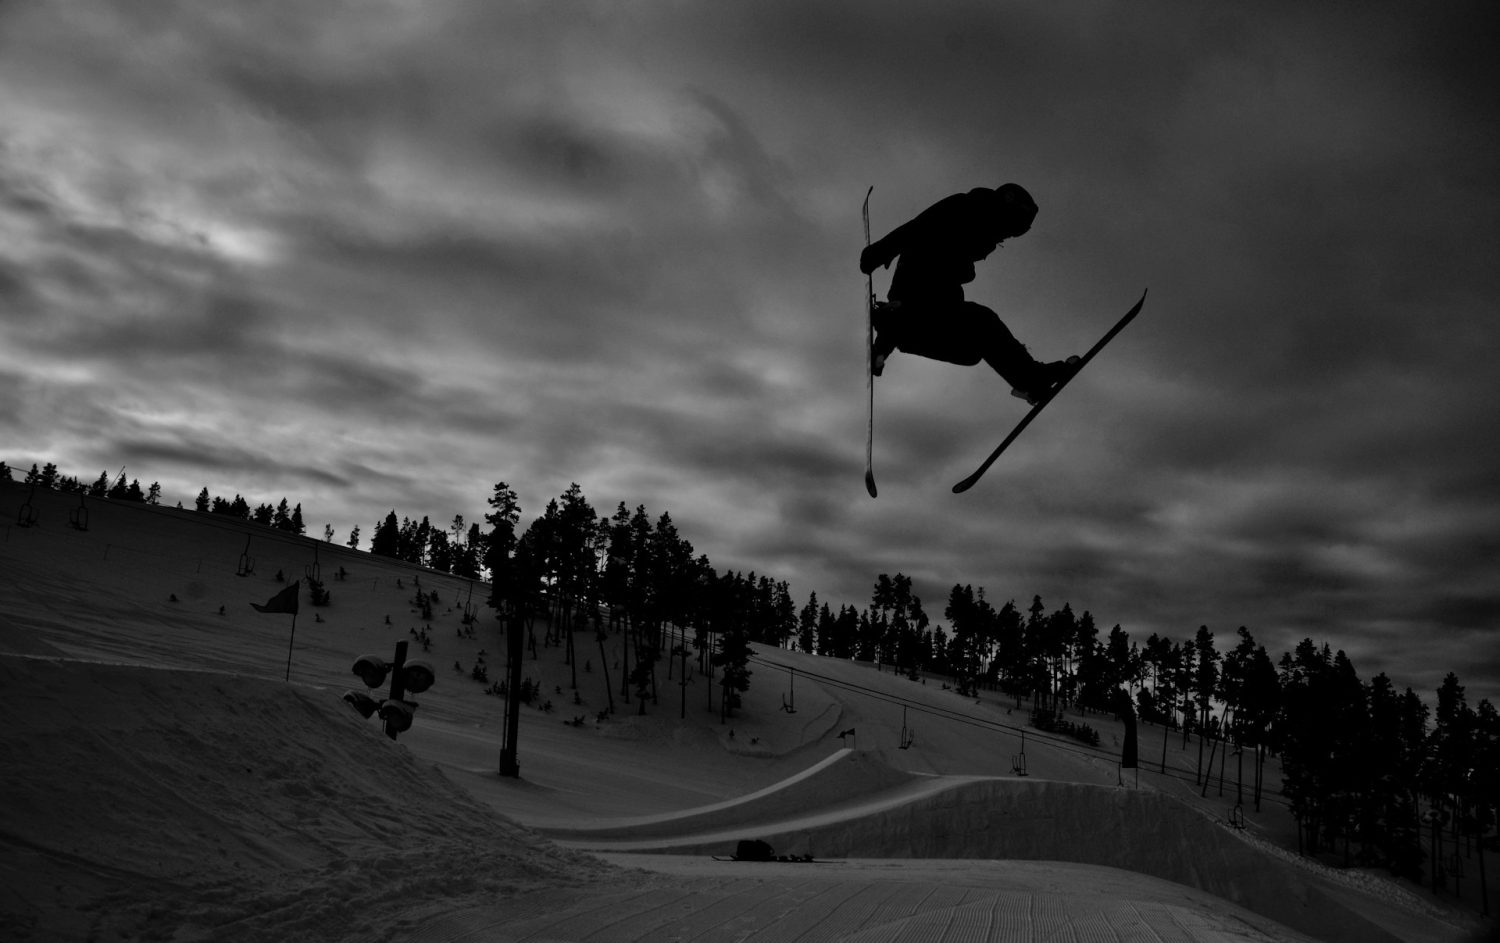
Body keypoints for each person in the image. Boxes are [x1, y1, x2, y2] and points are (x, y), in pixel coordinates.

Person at [859, 183, 1076, 404]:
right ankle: (1032, 379)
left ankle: (896, 327)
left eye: (1011, 234)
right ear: (1004, 210)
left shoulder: (985, 231)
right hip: (917, 291)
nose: (1005, 237)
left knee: (970, 352)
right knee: (983, 321)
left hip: (932, 303)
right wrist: (878, 252)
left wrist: (882, 349)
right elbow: (917, 228)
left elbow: (956, 264)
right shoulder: (965, 207)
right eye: (1008, 230)